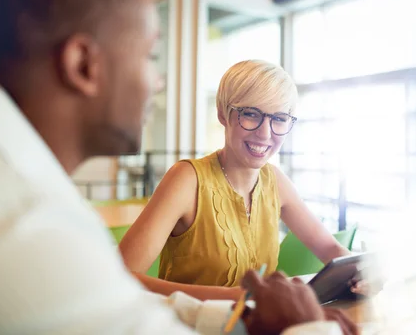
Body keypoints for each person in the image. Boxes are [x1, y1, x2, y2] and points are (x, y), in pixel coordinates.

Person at [0, 0, 357, 334]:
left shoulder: (1, 176)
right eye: (149, 55)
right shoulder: (16, 223)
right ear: (82, 64)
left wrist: (247, 315)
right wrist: (305, 328)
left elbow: (123, 305)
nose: (158, 82)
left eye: (279, 119)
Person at [119, 60, 354, 301]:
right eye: (251, 114)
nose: (265, 133)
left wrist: (359, 276)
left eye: (279, 118)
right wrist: (235, 297)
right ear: (223, 114)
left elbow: (331, 250)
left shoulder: (276, 182)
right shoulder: (187, 180)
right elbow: (120, 276)